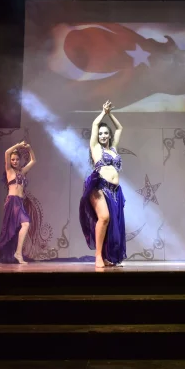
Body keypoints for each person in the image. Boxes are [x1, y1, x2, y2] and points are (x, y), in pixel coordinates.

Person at [79, 100, 126, 268]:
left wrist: (110, 115)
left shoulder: (113, 149)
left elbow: (119, 128)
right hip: (99, 186)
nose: (103, 136)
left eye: (106, 133)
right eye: (101, 134)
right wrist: (103, 113)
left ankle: (106, 257)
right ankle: (98, 255)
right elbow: (94, 124)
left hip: (115, 190)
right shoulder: (96, 148)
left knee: (111, 223)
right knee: (104, 217)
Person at [0, 141, 36, 264]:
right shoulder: (9, 171)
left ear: (20, 160)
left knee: (25, 225)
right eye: (12, 159)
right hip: (12, 201)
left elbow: (33, 161)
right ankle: (18, 253)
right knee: (25, 224)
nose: (14, 161)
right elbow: (7, 152)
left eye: (17, 159)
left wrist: (29, 149)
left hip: (19, 202)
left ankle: (18, 253)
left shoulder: (21, 172)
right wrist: (18, 145)